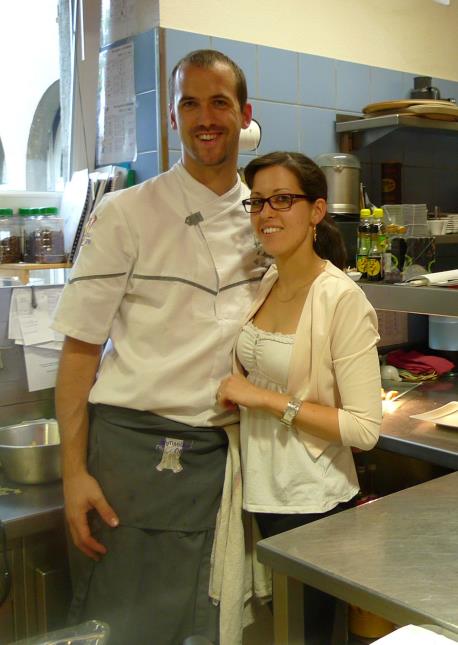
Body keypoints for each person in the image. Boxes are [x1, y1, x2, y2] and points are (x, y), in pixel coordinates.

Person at [52, 50, 266, 645]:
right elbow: (79, 354)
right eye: (190, 103)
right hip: (136, 459)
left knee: (209, 630)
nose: (205, 117)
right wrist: (73, 473)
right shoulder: (125, 214)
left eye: (219, 102)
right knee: (129, 628)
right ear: (173, 118)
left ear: (244, 114)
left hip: (227, 461)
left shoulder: (265, 218)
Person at [217, 151, 382, 644]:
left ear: (316, 211)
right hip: (264, 493)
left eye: (283, 200)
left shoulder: (340, 298)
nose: (267, 213)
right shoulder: (268, 281)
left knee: (307, 637)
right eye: (259, 202)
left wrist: (261, 399)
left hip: (313, 502)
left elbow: (364, 428)